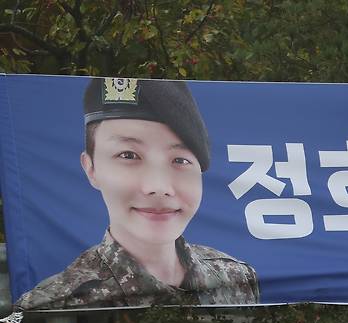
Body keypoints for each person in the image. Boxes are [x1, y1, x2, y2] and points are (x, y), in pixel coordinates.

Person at [14, 77, 259, 310]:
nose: (159, 186)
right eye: (128, 156)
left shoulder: (236, 278)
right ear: (91, 168)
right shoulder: (56, 302)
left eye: (180, 160)